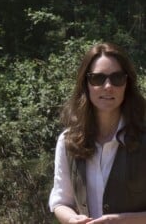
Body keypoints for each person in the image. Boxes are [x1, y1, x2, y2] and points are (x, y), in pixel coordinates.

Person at [49, 42, 146, 224]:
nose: (108, 86)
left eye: (117, 78)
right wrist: (71, 219)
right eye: (97, 78)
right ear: (86, 84)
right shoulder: (68, 141)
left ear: (127, 83)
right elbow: (60, 200)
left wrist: (121, 220)